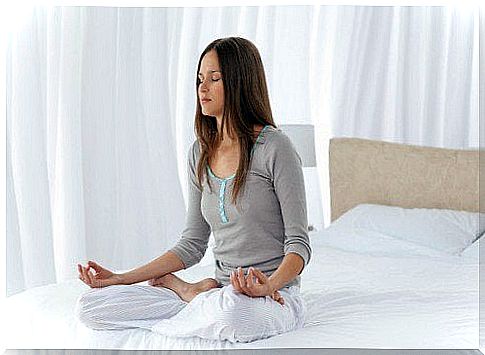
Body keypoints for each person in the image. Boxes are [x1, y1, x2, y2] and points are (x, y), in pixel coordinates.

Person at [75, 37, 312, 343]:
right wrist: (120, 278)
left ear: (241, 83)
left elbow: (299, 245)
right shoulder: (199, 153)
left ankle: (190, 293)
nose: (203, 88)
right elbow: (192, 244)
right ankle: (198, 296)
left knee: (234, 316)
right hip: (225, 290)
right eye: (200, 79)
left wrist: (268, 286)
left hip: (275, 296)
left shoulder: (275, 147)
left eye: (214, 79)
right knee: (90, 308)